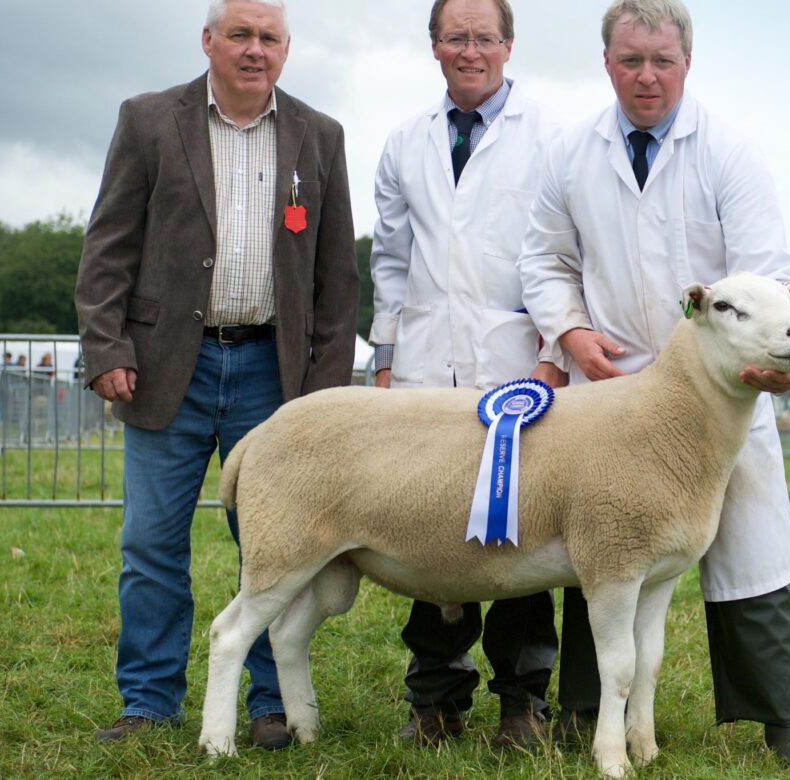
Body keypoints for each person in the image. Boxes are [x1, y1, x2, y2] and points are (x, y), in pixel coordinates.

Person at [517, 0, 790, 768]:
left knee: (750, 542)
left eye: (662, 60)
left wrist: (773, 358)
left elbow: (767, 273)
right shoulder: (570, 153)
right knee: (605, 544)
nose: (646, 76)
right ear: (607, 62)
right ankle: (586, 711)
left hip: (722, 386)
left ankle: (781, 719)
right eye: (631, 60)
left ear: (687, 62)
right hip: (615, 386)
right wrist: (571, 332)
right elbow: (544, 258)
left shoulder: (728, 152)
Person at [74, 0, 358, 751]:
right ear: (208, 41)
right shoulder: (148, 120)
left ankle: (268, 703)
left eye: (269, 37)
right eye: (239, 34)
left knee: (272, 548)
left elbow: (337, 279)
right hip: (166, 365)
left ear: (286, 49)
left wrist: (325, 392)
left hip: (273, 372)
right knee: (151, 543)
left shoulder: (320, 135)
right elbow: (107, 248)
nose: (254, 49)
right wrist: (106, 347)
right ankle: (148, 702)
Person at [369, 0, 564, 749]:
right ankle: (436, 701)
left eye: (484, 37)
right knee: (429, 535)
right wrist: (386, 360)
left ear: (509, 45)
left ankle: (523, 705)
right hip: (426, 372)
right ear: (434, 46)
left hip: (517, 372)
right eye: (456, 37)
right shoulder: (404, 142)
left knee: (520, 538)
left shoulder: (549, 139)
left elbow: (562, 254)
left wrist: (551, 355)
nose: (470, 50)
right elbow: (390, 260)